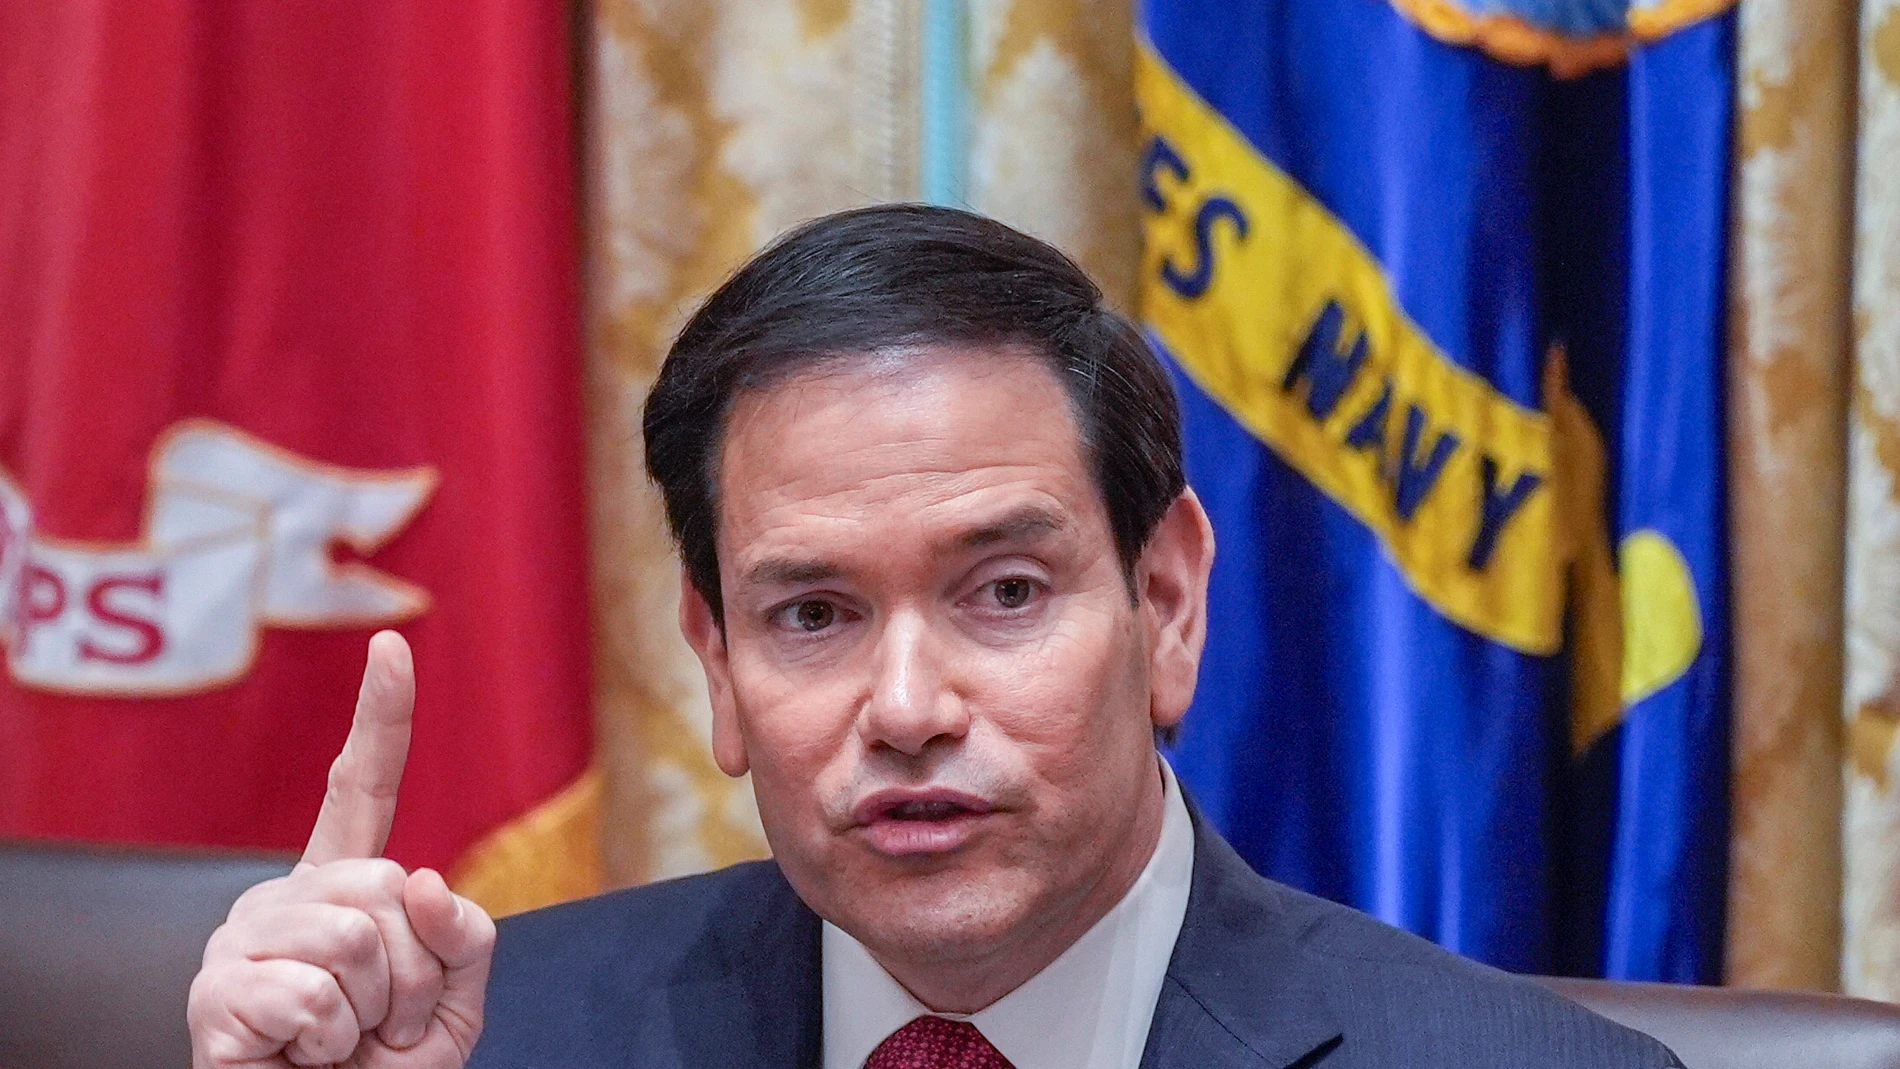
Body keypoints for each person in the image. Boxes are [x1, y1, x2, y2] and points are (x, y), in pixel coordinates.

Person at [186, 204, 1682, 1068]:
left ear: (1166, 604)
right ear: (716, 663)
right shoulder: (498, 1039)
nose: (906, 706)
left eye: (1005, 595)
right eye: (813, 615)